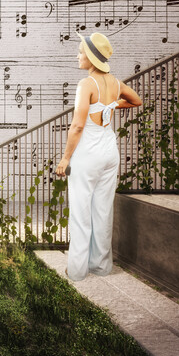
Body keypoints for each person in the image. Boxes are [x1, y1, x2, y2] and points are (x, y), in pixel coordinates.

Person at [56, 33, 142, 281]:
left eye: (81, 52)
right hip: (109, 154)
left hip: (88, 156)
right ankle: (102, 267)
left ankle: (77, 271)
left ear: (92, 57)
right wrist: (113, 105)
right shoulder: (115, 83)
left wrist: (65, 158)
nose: (78, 56)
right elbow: (136, 100)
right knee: (103, 211)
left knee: (81, 213)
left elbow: (77, 127)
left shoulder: (86, 84)